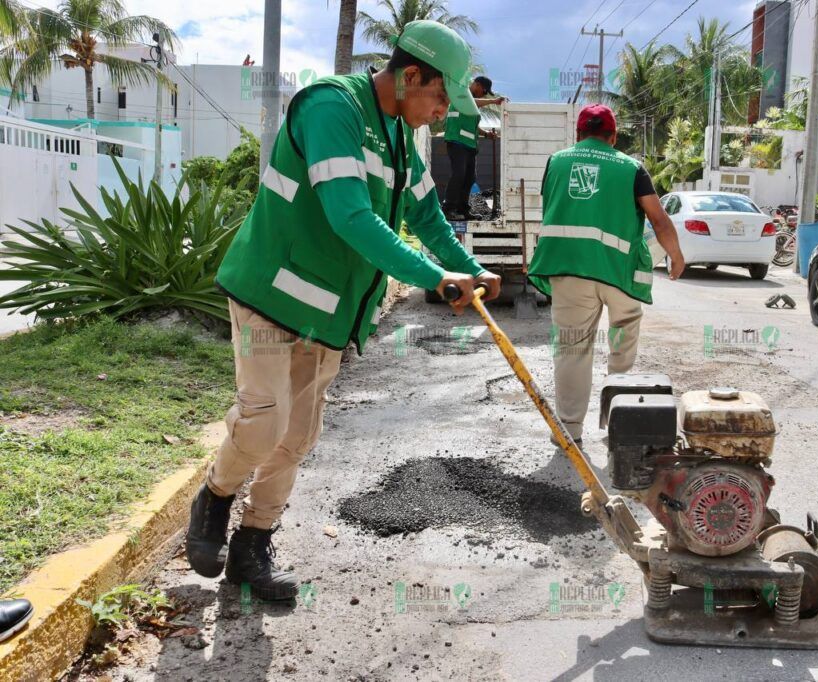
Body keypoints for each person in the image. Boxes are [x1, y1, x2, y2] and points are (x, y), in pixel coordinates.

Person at [186, 20, 501, 601]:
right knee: (263, 424)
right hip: (271, 292)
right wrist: (435, 277)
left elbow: (428, 217)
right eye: (438, 97)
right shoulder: (332, 109)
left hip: (329, 312)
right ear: (410, 76)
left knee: (298, 435)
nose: (441, 113)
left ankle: (252, 547)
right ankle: (214, 496)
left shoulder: (401, 135)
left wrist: (471, 269)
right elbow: (350, 217)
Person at [527, 104, 685, 444]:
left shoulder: (556, 161)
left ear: (578, 135)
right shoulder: (632, 168)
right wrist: (675, 255)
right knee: (621, 343)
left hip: (568, 271)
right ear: (613, 137)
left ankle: (569, 431)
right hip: (618, 275)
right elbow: (658, 218)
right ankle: (619, 421)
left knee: (572, 349)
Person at [442, 75, 505, 220]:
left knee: (470, 178)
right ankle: (448, 209)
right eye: (483, 90)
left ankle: (463, 209)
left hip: (469, 145)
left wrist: (486, 134)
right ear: (476, 84)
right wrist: (493, 101)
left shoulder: (473, 107)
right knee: (458, 174)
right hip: (457, 141)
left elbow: (472, 126)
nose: (484, 94)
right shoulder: (462, 94)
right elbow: (471, 103)